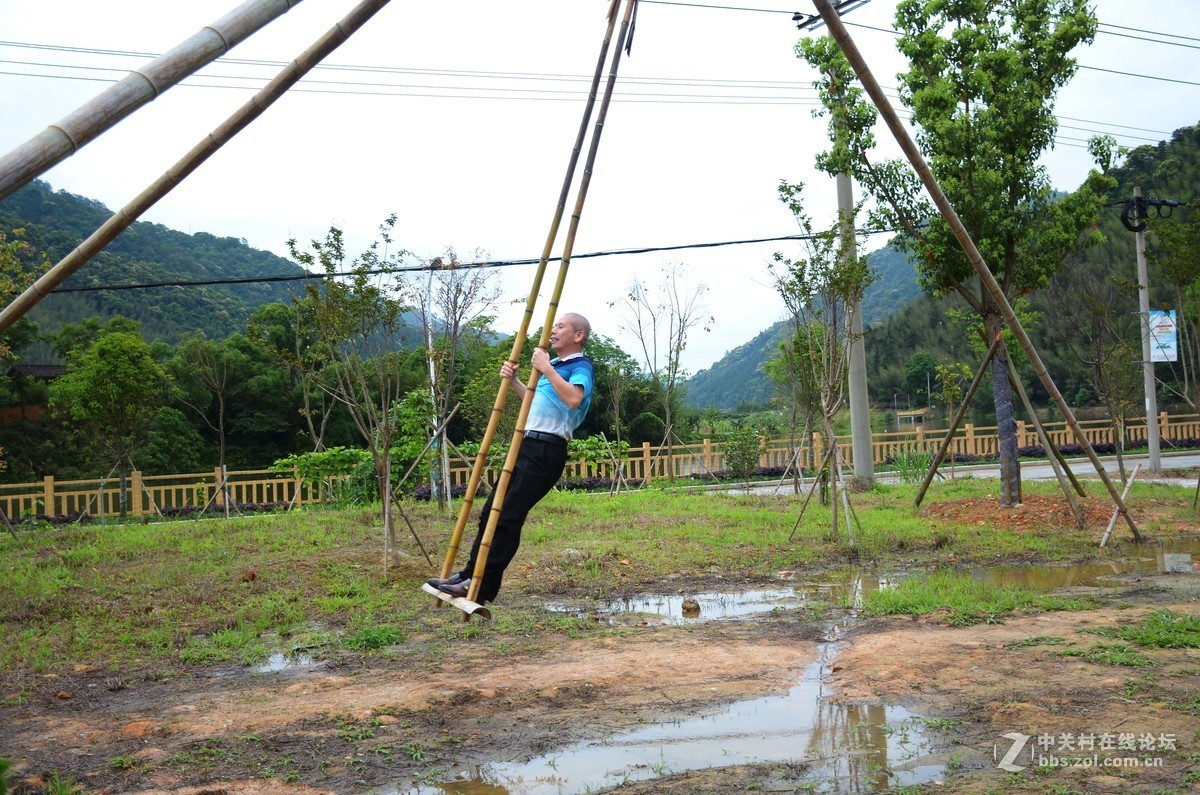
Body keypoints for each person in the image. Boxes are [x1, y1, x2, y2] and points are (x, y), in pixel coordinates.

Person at [428, 312, 594, 604]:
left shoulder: (580, 366)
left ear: (578, 336)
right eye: (554, 325)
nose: (553, 330)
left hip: (547, 449)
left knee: (508, 517)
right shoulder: (554, 366)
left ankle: (480, 587)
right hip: (527, 443)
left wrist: (545, 368)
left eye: (560, 326)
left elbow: (573, 399)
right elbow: (536, 403)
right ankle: (469, 574)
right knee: (491, 511)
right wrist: (517, 381)